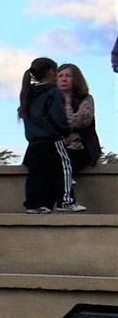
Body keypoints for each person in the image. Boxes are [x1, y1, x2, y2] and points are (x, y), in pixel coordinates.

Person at [56, 62, 98, 209]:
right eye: (60, 75)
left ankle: (67, 200)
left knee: (63, 161)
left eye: (68, 75)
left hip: (81, 147)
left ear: (76, 79)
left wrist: (59, 122)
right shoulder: (53, 100)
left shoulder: (86, 98)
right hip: (58, 147)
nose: (64, 79)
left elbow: (82, 120)